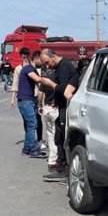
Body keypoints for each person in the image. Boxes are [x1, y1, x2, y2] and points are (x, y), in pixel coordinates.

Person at [38, 48, 80, 182]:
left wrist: (50, 84)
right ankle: (61, 167)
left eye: (47, 62)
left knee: (62, 138)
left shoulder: (64, 67)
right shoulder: (60, 67)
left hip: (65, 108)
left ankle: (63, 169)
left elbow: (64, 87)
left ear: (53, 57)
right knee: (58, 136)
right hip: (60, 105)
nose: (47, 66)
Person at [38, 62, 60, 171]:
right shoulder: (58, 77)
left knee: (50, 135)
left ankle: (51, 161)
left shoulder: (46, 78)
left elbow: (40, 94)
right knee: (57, 135)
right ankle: (57, 160)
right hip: (55, 107)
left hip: (46, 108)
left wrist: (39, 105)